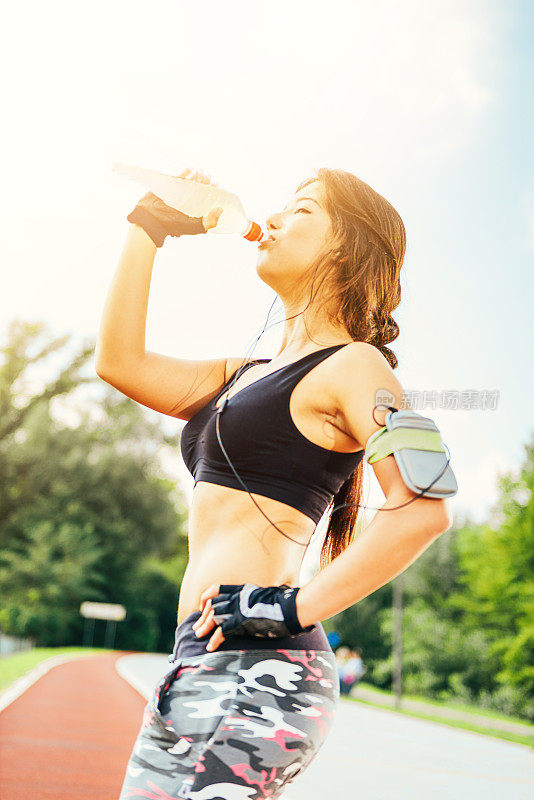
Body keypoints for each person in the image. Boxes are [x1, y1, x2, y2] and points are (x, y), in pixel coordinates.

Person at [96, 166, 452, 799]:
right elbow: (118, 362)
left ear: (347, 250)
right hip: (196, 657)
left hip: (265, 670)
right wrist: (148, 225)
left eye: (304, 209)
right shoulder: (245, 373)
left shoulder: (356, 366)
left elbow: (424, 505)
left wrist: (290, 607)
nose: (277, 218)